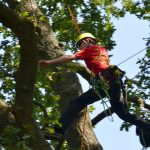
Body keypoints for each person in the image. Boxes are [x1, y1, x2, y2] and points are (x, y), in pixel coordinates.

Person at [39, 32, 150, 135]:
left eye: (79, 45)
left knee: (77, 103)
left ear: (87, 41)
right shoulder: (102, 49)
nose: (79, 48)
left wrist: (49, 62)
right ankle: (145, 125)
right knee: (123, 114)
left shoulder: (89, 49)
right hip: (114, 82)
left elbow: (70, 57)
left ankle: (58, 130)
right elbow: (99, 64)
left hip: (105, 80)